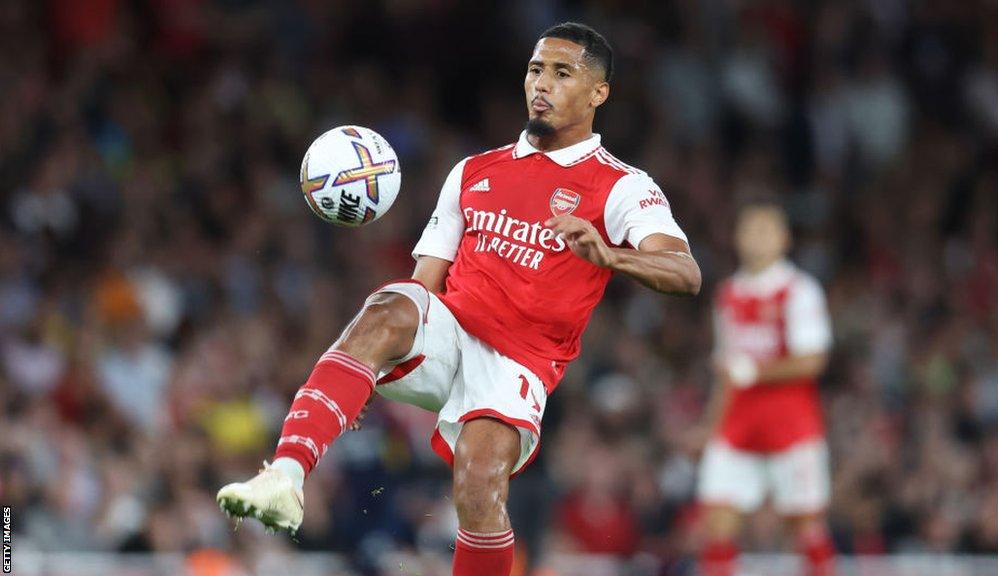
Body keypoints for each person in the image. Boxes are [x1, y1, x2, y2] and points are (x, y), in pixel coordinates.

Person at [216, 22, 701, 576]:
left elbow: (684, 273)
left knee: (478, 481)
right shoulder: (474, 171)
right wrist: (373, 359)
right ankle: (286, 476)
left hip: (519, 361)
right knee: (390, 304)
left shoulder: (620, 186)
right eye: (535, 69)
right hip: (451, 330)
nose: (541, 84)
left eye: (562, 73)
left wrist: (612, 257)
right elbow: (424, 285)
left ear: (598, 93)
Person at [697, 199, 835, 576]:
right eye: (750, 229)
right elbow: (726, 370)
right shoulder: (728, 294)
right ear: (738, 238)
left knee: (806, 525)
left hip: (791, 427)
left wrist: (755, 371)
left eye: (766, 229)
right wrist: (709, 428)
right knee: (718, 523)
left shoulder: (799, 290)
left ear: (784, 238)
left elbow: (813, 360)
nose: (758, 238)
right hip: (738, 426)